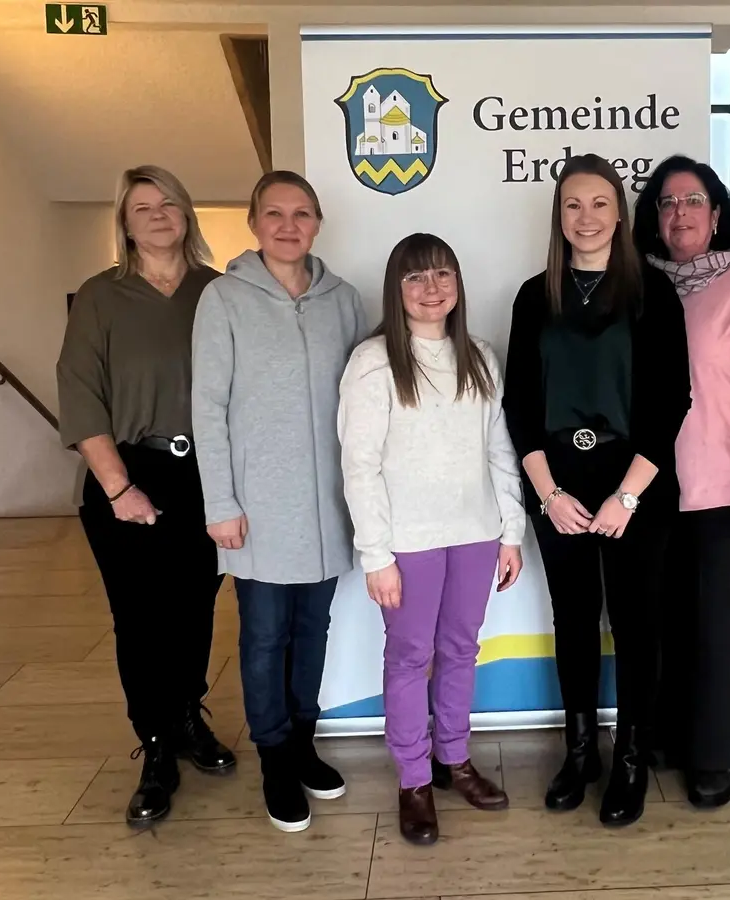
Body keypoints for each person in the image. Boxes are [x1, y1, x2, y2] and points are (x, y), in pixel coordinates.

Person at [502, 154, 692, 827]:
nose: (586, 217)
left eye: (599, 203)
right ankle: (580, 751)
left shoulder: (652, 294)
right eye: (573, 205)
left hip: (634, 485)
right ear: (559, 216)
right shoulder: (536, 295)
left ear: (620, 213)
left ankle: (632, 759)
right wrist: (548, 494)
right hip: (560, 487)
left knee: (639, 626)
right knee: (575, 621)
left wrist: (628, 496)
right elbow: (518, 403)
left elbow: (673, 402)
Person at [56, 165, 236, 827]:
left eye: (170, 204)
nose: (159, 215)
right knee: (140, 617)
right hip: (128, 471)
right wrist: (118, 486)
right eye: (143, 207)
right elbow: (79, 395)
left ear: (187, 214)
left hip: (207, 474)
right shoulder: (102, 298)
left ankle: (189, 715)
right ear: (124, 223)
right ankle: (156, 743)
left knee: (195, 606)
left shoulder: (219, 292)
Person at [192, 170, 367, 834]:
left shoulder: (344, 300)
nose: (288, 225)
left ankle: (301, 742)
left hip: (328, 506)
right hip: (257, 509)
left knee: (311, 631)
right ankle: (273, 756)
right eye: (274, 213)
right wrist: (220, 503)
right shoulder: (224, 299)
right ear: (254, 223)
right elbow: (207, 409)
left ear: (317, 222)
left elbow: (364, 400)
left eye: (301, 214)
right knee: (263, 636)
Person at [337, 233, 526, 845]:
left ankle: (453, 758)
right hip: (408, 543)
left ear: (458, 286)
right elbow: (358, 464)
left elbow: (500, 449)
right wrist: (377, 556)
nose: (431, 288)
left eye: (443, 275)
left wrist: (511, 531)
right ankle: (414, 779)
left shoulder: (480, 356)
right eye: (416, 278)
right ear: (396, 290)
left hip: (475, 534)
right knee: (409, 657)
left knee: (461, 649)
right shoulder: (373, 362)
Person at [633, 156, 730, 808]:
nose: (679, 214)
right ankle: (667, 737)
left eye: (691, 202)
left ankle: (713, 757)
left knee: (716, 626)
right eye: (667, 205)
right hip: (644, 489)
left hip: (720, 488)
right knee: (659, 621)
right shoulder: (638, 285)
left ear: (717, 212)